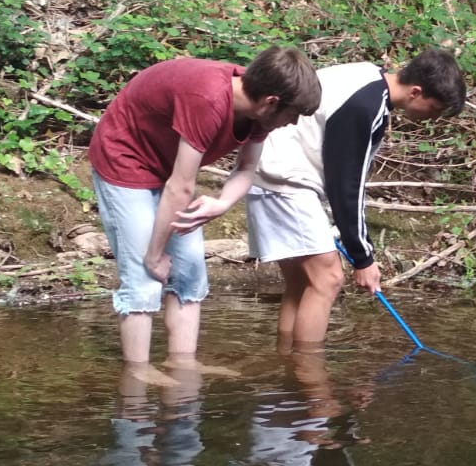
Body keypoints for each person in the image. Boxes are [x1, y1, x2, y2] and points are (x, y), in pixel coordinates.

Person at [89, 46, 321, 364]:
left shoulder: (259, 111)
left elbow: (246, 169)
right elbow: (181, 186)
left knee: (189, 275)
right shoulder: (208, 99)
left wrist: (223, 203)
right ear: (271, 102)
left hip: (169, 167)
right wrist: (155, 255)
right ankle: (137, 376)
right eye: (293, 115)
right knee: (144, 278)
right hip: (125, 159)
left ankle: (182, 368)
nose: (293, 123)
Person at [245, 47, 467, 350]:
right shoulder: (366, 106)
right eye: (435, 109)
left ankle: (287, 365)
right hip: (285, 180)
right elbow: (346, 184)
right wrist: (363, 258)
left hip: (269, 171)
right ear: (416, 92)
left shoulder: (366, 76)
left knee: (301, 284)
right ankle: (310, 376)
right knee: (328, 279)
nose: (433, 118)